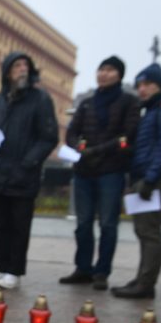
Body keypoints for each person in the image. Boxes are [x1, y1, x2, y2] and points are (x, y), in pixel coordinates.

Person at [0, 52, 59, 289]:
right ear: (7, 71)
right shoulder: (0, 101)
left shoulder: (40, 99)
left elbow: (48, 137)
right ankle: (1, 268)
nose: (22, 69)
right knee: (0, 222)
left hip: (23, 173)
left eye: (25, 65)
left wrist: (27, 163)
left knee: (19, 224)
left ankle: (14, 271)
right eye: (16, 66)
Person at [111, 64, 161, 299]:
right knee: (143, 230)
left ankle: (146, 284)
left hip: (156, 177)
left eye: (147, 84)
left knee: (149, 232)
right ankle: (142, 279)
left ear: (159, 85)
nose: (142, 89)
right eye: (139, 85)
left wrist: (150, 178)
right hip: (146, 176)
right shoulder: (154, 109)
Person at [58, 56, 139, 291]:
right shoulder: (86, 102)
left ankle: (102, 271)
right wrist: (78, 148)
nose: (103, 74)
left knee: (108, 224)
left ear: (119, 75)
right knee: (83, 223)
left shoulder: (128, 102)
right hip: (84, 171)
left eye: (110, 70)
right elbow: (72, 132)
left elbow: (127, 135)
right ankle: (83, 268)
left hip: (111, 172)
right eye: (101, 69)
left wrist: (95, 151)